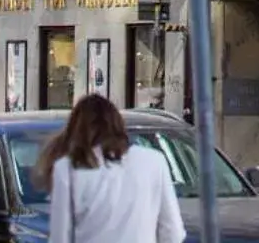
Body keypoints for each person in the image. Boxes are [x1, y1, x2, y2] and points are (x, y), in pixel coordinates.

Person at [38, 93, 184, 243]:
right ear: (118, 124)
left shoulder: (67, 169)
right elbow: (173, 231)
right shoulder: (154, 161)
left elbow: (60, 237)